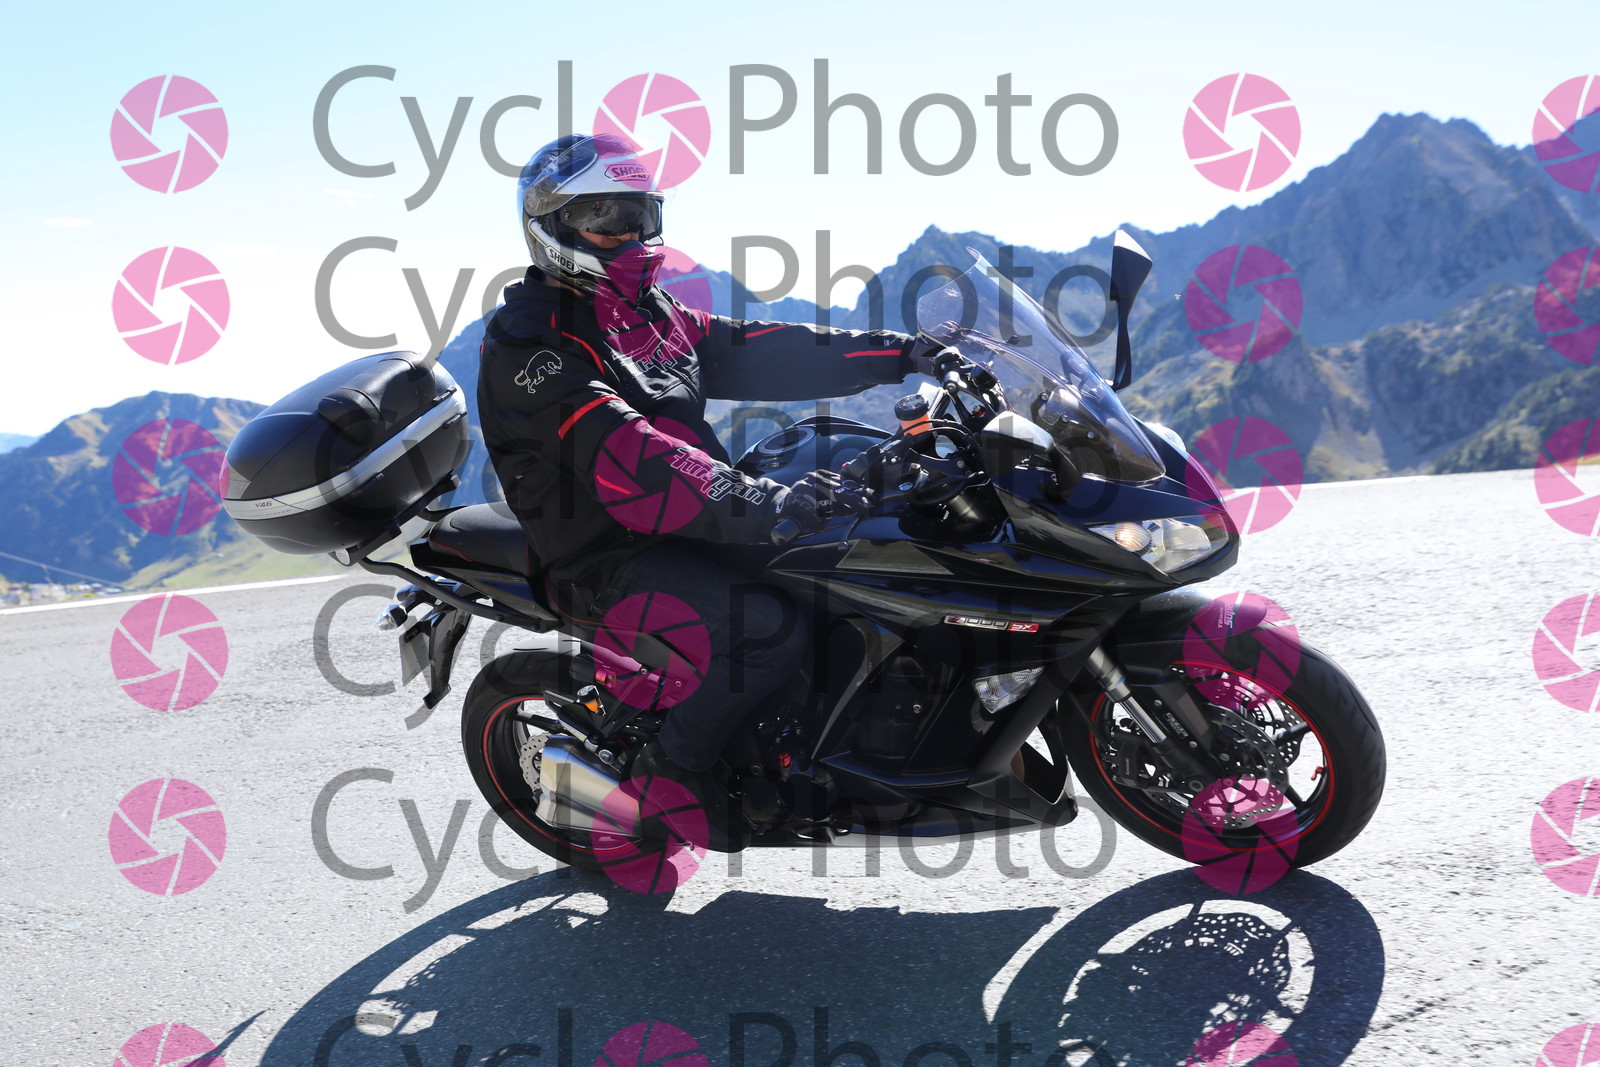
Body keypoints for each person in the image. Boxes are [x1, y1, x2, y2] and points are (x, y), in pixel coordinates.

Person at [479, 133, 942, 851]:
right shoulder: (530, 345)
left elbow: (760, 348)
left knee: (852, 558)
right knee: (766, 629)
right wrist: (763, 501)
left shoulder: (645, 310)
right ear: (552, 229)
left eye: (638, 214)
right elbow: (632, 454)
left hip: (691, 518)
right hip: (608, 552)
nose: (627, 233)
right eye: (605, 217)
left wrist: (902, 353)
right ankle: (673, 776)